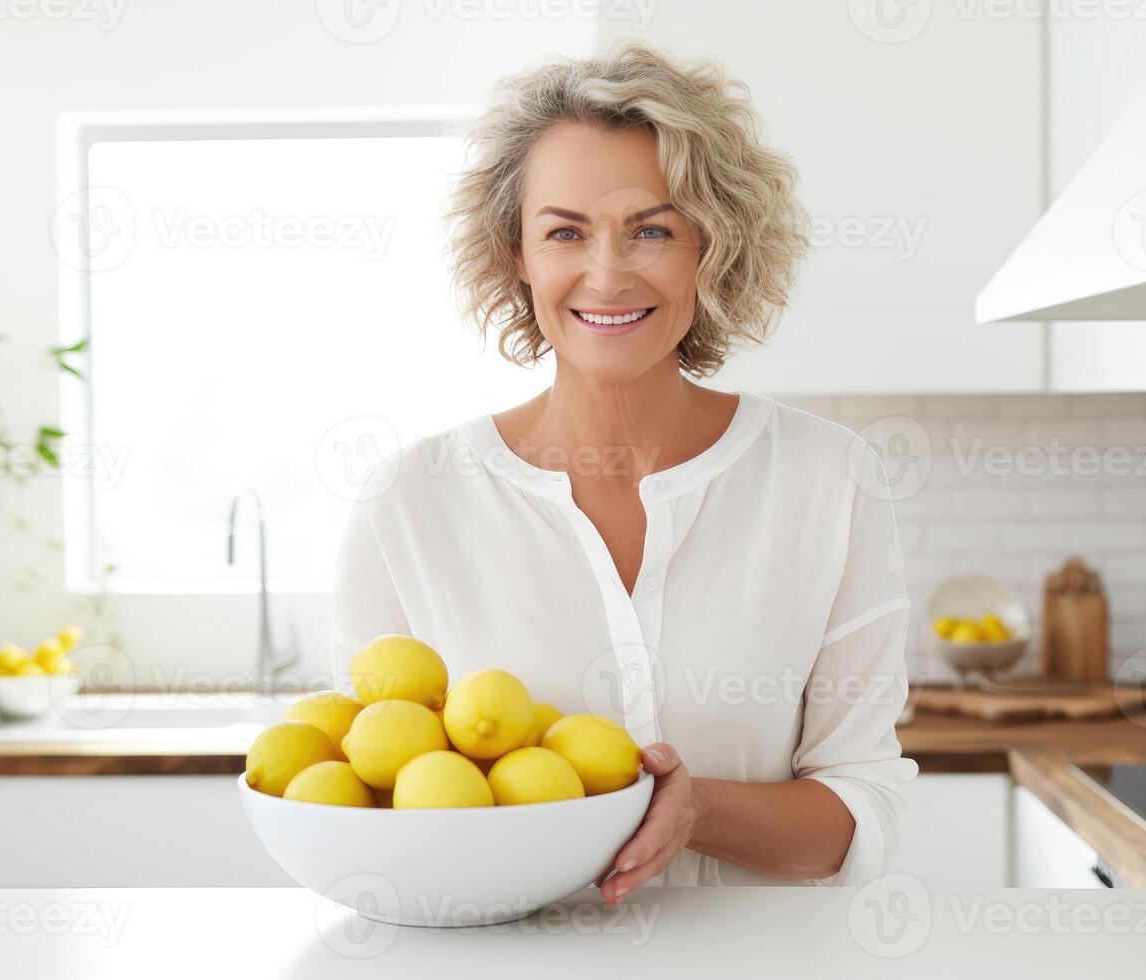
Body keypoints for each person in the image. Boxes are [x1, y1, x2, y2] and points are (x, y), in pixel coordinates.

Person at [332, 39, 916, 907]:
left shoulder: (831, 481)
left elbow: (861, 807)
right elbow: (373, 796)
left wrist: (695, 811)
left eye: (651, 229)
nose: (606, 274)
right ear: (516, 255)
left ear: (712, 248)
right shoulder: (407, 505)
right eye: (565, 231)